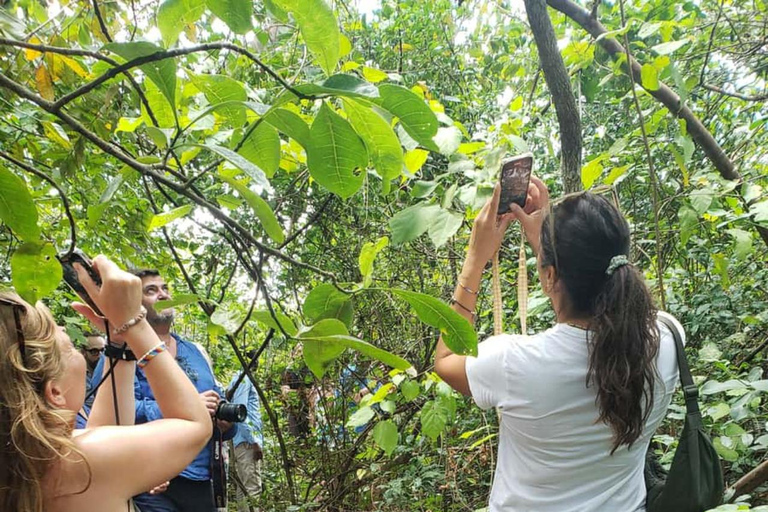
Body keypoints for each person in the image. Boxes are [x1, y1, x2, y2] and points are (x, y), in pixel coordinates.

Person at [434, 178, 683, 511]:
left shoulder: (512, 363)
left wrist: (475, 259)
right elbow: (590, 290)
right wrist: (547, 246)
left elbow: (446, 359)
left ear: (550, 275)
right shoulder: (667, 338)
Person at [0, 256, 211, 512]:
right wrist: (134, 323)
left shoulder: (28, 462)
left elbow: (104, 434)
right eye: (70, 346)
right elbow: (195, 426)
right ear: (54, 391)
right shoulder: (77, 466)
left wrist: (119, 346)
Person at [91, 269, 238, 512]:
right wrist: (188, 408)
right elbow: (108, 415)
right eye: (151, 290)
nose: (162, 294)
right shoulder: (122, 352)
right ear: (135, 304)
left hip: (200, 477)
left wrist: (225, 424)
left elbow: (215, 406)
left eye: (165, 288)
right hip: (150, 479)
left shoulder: (196, 352)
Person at [227, 350, 263, 512]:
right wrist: (254, 441)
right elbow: (240, 413)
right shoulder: (243, 380)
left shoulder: (240, 380)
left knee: (243, 488)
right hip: (246, 442)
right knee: (252, 488)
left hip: (241, 441)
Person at [81, 332, 105, 410]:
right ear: (84, 352)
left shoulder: (108, 368)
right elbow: (90, 403)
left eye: (103, 350)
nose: (100, 355)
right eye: (94, 352)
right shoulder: (79, 374)